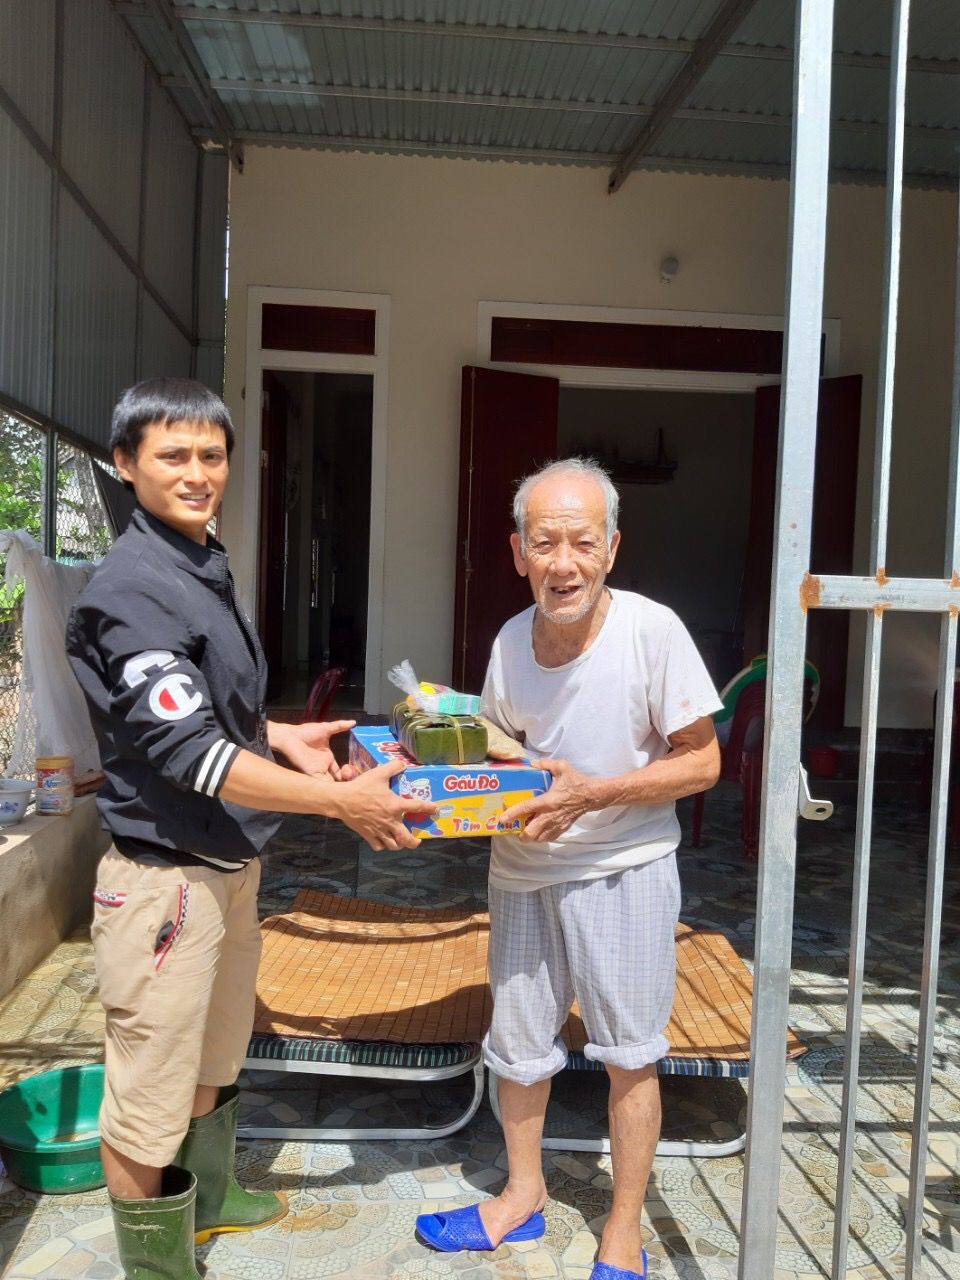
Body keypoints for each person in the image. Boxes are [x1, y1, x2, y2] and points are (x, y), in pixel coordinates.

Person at [67, 378, 434, 1280]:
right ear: (125, 465)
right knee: (147, 1097)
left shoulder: (197, 561)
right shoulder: (131, 590)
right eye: (172, 456)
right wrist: (343, 802)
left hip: (225, 866)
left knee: (216, 1052)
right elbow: (187, 752)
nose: (197, 474)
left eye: (212, 455)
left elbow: (202, 714)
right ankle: (157, 1269)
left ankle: (213, 1195)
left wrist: (279, 736)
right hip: (165, 881)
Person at [415, 458, 721, 1280]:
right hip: (522, 871)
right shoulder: (510, 641)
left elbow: (702, 762)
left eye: (582, 542)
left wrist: (591, 794)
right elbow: (504, 749)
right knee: (516, 1047)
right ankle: (522, 1195)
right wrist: (436, 775)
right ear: (518, 552)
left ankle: (622, 1228)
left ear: (611, 548)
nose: (564, 563)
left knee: (629, 1052)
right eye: (544, 543)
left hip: (624, 867)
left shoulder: (653, 632)